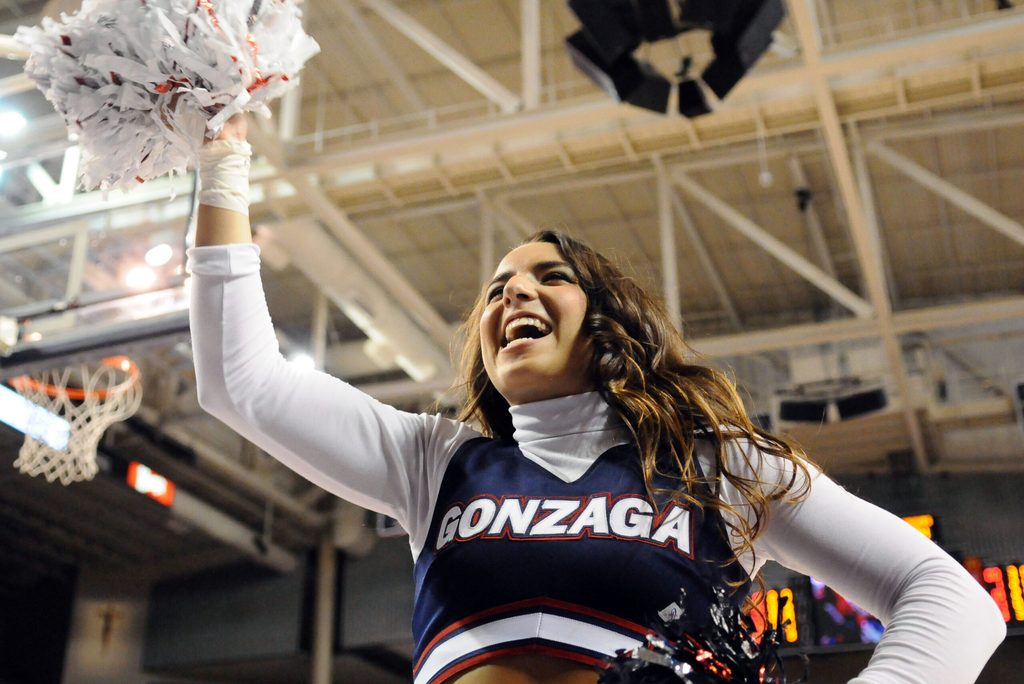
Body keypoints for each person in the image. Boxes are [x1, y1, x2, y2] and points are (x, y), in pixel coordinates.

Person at [188, 116, 1005, 684]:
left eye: (550, 277)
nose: (513, 296)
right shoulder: (433, 462)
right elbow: (243, 382)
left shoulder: (715, 465)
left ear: (608, 320)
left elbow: (953, 601)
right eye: (497, 288)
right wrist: (222, 163)